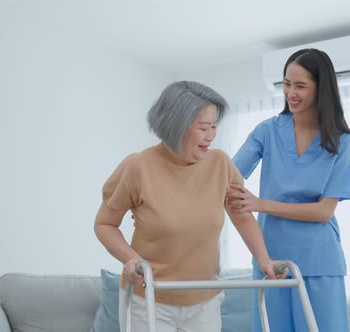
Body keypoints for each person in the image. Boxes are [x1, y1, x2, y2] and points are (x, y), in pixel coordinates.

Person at [94, 81, 284, 332]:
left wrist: (264, 259)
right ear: (176, 126)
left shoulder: (221, 164)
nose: (211, 135)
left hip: (205, 302)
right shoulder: (137, 167)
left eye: (214, 126)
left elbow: (242, 216)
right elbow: (105, 224)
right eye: (203, 127)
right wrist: (131, 259)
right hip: (148, 298)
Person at [228, 48, 350, 332]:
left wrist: (261, 204)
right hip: (270, 261)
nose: (291, 93)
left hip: (319, 261)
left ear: (322, 89)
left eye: (300, 86)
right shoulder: (267, 131)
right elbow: (226, 178)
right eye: (287, 84)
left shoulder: (342, 142)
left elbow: (324, 211)